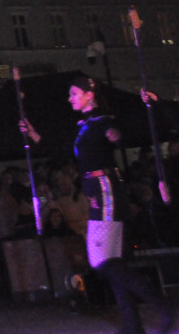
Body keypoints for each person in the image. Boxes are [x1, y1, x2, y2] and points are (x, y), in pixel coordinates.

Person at [21, 75, 176, 334]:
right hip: (99, 193)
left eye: (73, 93)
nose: (69, 98)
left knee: (100, 261)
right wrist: (35, 135)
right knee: (114, 262)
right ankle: (132, 324)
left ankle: (161, 305)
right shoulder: (84, 124)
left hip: (106, 192)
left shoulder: (103, 121)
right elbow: (65, 151)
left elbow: (117, 135)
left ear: (88, 95)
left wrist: (116, 135)